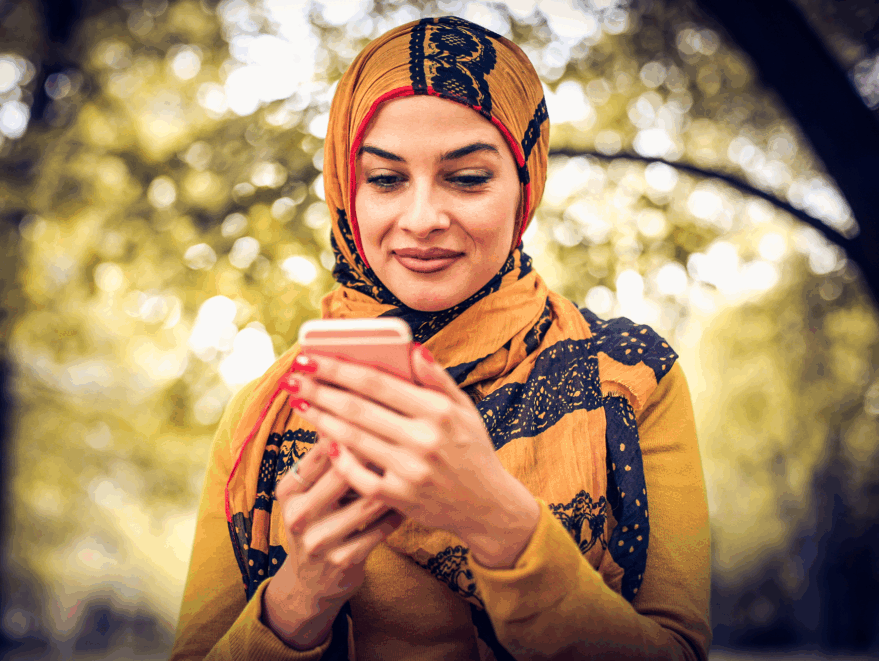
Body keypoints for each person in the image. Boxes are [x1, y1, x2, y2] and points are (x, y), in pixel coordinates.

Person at [170, 15, 710, 661]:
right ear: (347, 191)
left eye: (467, 177)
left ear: (523, 188)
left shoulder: (629, 375)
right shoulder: (268, 410)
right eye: (385, 178)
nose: (422, 218)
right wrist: (299, 596)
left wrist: (498, 520)